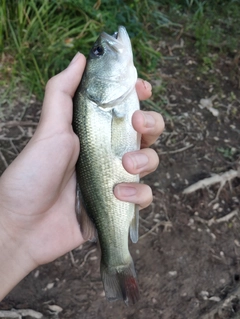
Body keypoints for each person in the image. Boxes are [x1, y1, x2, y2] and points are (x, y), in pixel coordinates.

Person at [0, 52, 165, 301]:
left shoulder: (108, 98)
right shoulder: (96, 102)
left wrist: (12, 230)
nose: (106, 46)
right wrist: (11, 228)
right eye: (99, 52)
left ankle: (116, 261)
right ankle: (117, 260)